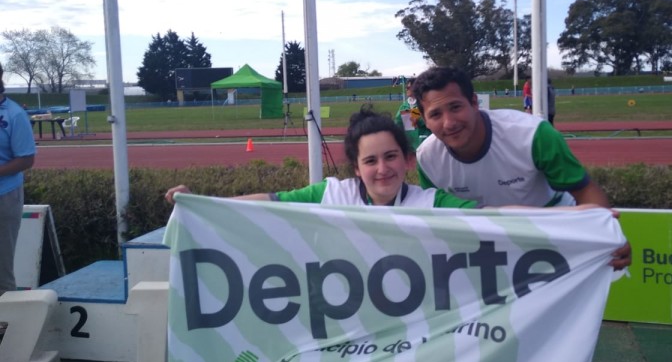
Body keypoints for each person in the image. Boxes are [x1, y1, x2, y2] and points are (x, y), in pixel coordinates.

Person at [410, 66, 631, 270]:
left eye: (456, 107)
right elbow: (437, 219)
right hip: (485, 242)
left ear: (475, 103)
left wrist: (608, 237)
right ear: (425, 121)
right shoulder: (427, 157)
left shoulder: (532, 134)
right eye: (435, 114)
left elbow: (583, 190)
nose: (449, 122)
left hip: (553, 230)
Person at [166, 104, 474, 209]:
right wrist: (201, 203)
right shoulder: (332, 195)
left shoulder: (431, 203)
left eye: (391, 156)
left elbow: (492, 218)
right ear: (356, 168)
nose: (383, 168)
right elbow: (273, 202)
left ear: (407, 160)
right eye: (370, 161)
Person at [0, 64, 37, 305]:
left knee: (1, 272)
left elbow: (26, 159)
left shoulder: (14, 114)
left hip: (4, 196)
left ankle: (6, 325)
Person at [394, 78, 432, 151]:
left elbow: (432, 121)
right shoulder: (405, 106)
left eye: (409, 87)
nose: (406, 89)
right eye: (406, 87)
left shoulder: (424, 103)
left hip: (425, 140)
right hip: (410, 143)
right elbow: (399, 123)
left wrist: (419, 120)